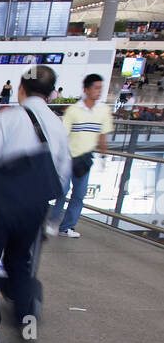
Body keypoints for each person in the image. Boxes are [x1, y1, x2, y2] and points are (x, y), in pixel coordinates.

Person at [0, 64, 71, 343]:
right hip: (34, 207)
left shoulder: (8, 119)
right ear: (51, 94)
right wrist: (45, 209)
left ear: (21, 90)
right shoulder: (58, 125)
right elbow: (63, 175)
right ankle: (27, 319)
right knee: (20, 263)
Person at [46, 73, 112, 238]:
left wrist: (104, 156)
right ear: (86, 89)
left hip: (85, 158)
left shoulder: (103, 110)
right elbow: (63, 134)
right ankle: (53, 221)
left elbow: (103, 134)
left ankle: (67, 227)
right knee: (62, 190)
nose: (99, 91)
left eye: (100, 88)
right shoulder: (74, 111)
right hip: (69, 157)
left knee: (79, 194)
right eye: (96, 87)